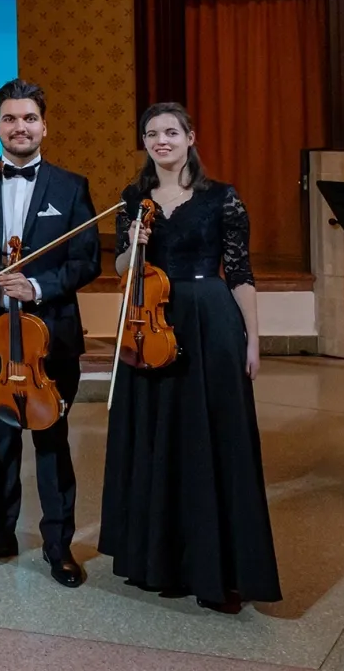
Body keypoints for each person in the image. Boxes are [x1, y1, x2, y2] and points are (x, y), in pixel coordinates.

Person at [99, 102, 280, 613]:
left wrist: (252, 337)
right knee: (157, 436)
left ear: (190, 137)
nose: (162, 141)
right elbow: (121, 268)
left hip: (210, 321)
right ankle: (157, 561)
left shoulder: (222, 198)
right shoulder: (132, 200)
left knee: (211, 441)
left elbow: (240, 272)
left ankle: (218, 572)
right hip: (148, 323)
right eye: (152, 133)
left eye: (171, 132)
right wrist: (133, 245)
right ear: (144, 142)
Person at [0, 80, 99, 586]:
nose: (20, 127)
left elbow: (87, 260)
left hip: (50, 335)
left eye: (29, 118)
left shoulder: (71, 186)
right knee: (1, 438)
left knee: (53, 438)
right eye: (10, 119)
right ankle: (0, 534)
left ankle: (59, 546)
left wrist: (37, 285)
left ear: (44, 125)